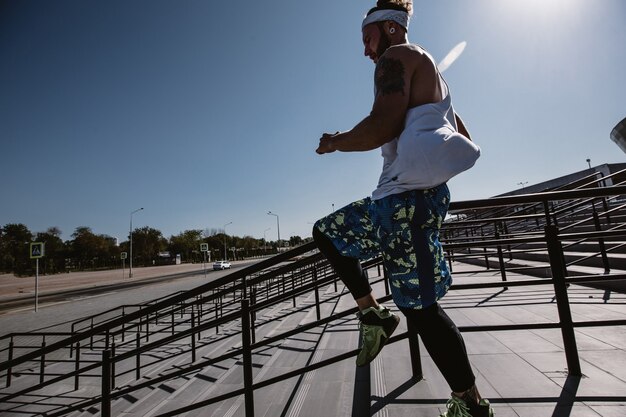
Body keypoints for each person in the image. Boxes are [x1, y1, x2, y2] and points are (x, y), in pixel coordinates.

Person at [312, 1, 493, 417]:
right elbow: (461, 134)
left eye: (368, 39)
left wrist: (335, 142)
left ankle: (472, 406)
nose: (366, 51)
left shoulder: (396, 58)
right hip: (397, 203)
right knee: (329, 233)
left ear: (390, 29)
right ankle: (372, 313)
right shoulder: (435, 76)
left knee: (422, 310)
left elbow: (382, 125)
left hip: (405, 205)